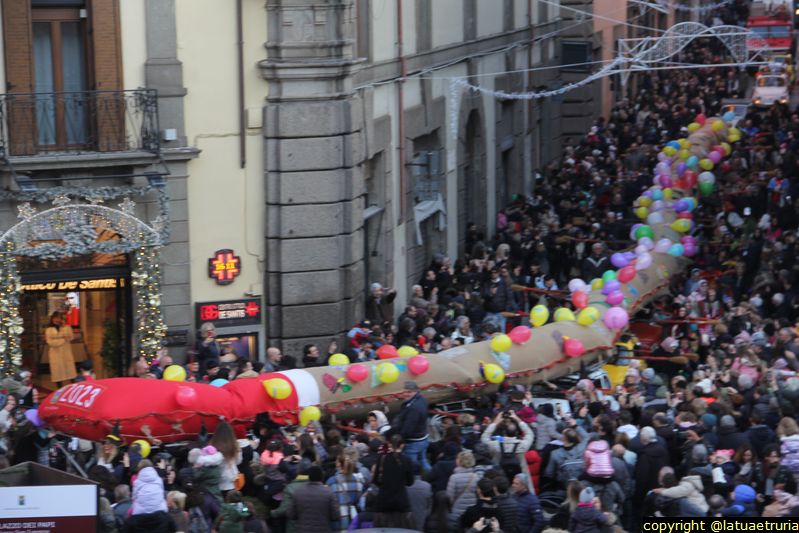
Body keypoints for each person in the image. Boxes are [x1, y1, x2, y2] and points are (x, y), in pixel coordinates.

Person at [372, 435, 415, 529]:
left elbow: (375, 480)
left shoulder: (382, 459)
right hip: (401, 502)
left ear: (389, 444)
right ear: (402, 445)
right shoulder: (407, 460)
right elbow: (410, 482)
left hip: (383, 502)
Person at [288, 465, 338, 533]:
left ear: (309, 477)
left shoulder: (298, 492)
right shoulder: (329, 493)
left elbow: (291, 514)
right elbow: (335, 516)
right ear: (321, 477)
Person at [394, 381, 431, 472]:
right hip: (423, 438)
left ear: (416, 391)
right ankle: (431, 477)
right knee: (423, 461)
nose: (406, 394)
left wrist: (400, 439)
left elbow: (408, 429)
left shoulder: (413, 408)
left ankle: (415, 483)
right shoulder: (421, 400)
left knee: (411, 465)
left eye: (409, 392)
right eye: (405, 391)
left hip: (413, 442)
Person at [209, 422, 241, 496]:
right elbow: (238, 461)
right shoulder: (235, 445)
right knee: (232, 499)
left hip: (218, 477)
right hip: (232, 478)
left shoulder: (212, 445)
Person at [45, 311, 75, 386]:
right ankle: (59, 389)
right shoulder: (49, 329)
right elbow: (50, 342)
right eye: (55, 318)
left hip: (66, 352)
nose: (57, 320)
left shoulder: (66, 327)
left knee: (70, 373)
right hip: (55, 353)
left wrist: (64, 327)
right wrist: (63, 340)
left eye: (59, 318)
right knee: (57, 373)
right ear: (52, 319)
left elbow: (70, 337)